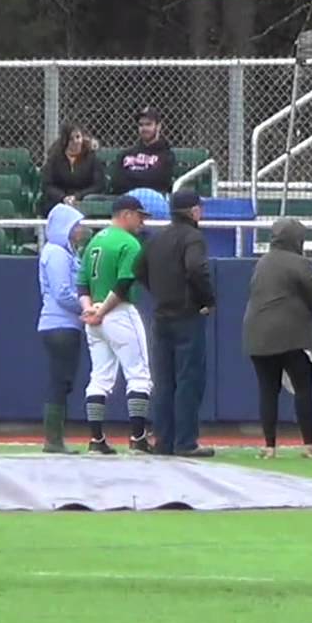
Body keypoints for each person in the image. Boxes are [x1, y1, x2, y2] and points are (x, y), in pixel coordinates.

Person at [135, 190, 216, 458]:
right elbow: (196, 268)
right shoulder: (193, 237)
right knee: (188, 380)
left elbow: (139, 269)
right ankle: (186, 442)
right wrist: (206, 299)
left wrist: (158, 291)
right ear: (194, 211)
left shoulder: (157, 239)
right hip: (187, 315)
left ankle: (164, 441)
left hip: (162, 316)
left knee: (164, 382)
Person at [243, 219, 312, 458]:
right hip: (293, 335)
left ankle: (269, 446)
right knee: (303, 388)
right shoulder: (300, 262)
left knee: (267, 390)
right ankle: (309, 444)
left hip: (257, 333)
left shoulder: (262, 262)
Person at [76, 195, 154, 455]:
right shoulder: (129, 242)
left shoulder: (95, 240)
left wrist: (89, 309)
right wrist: (102, 311)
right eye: (139, 216)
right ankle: (138, 437)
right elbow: (123, 284)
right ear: (127, 214)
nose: (142, 222)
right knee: (139, 375)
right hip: (117, 312)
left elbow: (82, 283)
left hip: (94, 313)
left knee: (99, 378)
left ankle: (96, 439)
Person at [36, 203, 87, 454]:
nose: (80, 230)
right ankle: (53, 440)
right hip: (60, 325)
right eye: (76, 225)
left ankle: (55, 438)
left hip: (66, 325)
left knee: (63, 381)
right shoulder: (56, 253)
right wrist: (87, 308)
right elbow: (62, 293)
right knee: (59, 380)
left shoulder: (66, 253)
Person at [39, 123, 105, 217]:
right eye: (71, 139)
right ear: (65, 141)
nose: (75, 141)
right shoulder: (55, 158)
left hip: (83, 199)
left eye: (78, 137)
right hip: (59, 199)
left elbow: (99, 185)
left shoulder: (92, 157)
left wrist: (77, 196)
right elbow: (47, 185)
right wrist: (63, 197)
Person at [112, 107, 176, 196]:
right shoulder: (125, 154)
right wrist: (144, 177)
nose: (144, 128)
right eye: (141, 125)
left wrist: (131, 176)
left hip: (153, 200)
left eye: (148, 124)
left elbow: (160, 182)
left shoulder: (166, 155)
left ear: (158, 126)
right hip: (126, 199)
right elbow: (117, 182)